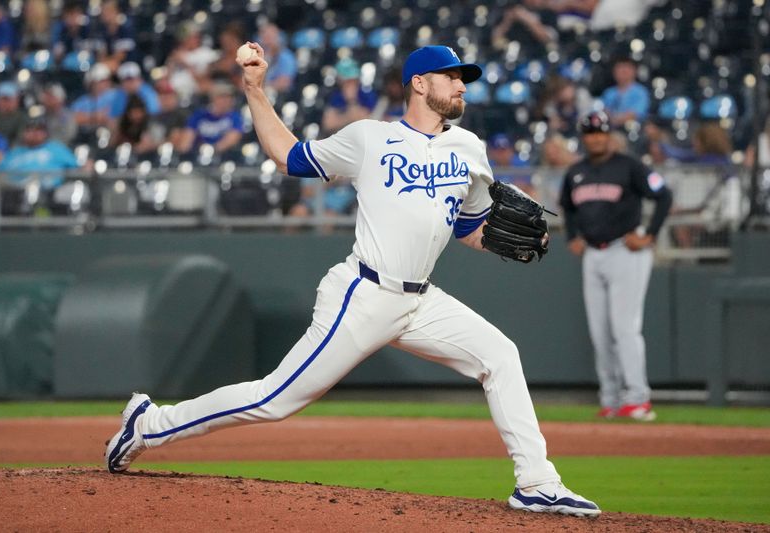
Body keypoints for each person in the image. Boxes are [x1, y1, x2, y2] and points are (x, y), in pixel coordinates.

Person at [105, 43, 601, 518]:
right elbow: (289, 157)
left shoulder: (468, 147)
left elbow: (468, 228)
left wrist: (507, 239)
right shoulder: (370, 138)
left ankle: (537, 483)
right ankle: (148, 426)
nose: (462, 86)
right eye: (453, 77)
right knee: (274, 400)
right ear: (420, 84)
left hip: (421, 301)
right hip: (363, 294)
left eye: (464, 79)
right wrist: (256, 91)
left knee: (500, 355)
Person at [559, 111, 672, 421]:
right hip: (593, 255)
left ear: (608, 135)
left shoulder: (630, 166)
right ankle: (610, 399)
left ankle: (637, 398)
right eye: (590, 133)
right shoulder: (576, 172)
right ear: (583, 137)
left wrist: (649, 235)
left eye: (600, 132)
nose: (596, 137)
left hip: (626, 251)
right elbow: (567, 207)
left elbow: (664, 196)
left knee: (625, 328)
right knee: (600, 332)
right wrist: (572, 236)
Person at [0, 115, 79, 190]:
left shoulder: (56, 148)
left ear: (46, 133)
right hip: (15, 194)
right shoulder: (15, 152)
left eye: (39, 129)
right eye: (30, 129)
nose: (34, 133)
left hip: (49, 193)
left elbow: (77, 168)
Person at [175, 82, 243, 157]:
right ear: (213, 98)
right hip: (197, 155)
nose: (225, 100)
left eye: (229, 97)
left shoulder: (235, 117)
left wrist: (211, 151)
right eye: (221, 97)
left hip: (223, 156)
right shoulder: (200, 115)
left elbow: (233, 137)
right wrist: (184, 153)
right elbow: (186, 140)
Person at [321, 58, 377, 135]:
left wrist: (352, 100)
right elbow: (328, 124)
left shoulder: (367, 94)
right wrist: (349, 118)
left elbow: (366, 121)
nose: (350, 84)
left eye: (353, 80)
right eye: (347, 81)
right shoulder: (336, 96)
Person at [600, 57, 650, 128]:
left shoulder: (641, 92)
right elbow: (604, 112)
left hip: (633, 129)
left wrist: (616, 120)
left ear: (634, 71)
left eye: (626, 69)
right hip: (609, 128)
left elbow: (636, 114)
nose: (623, 72)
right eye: (620, 68)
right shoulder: (609, 93)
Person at [257, 22, 296, 97]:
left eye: (270, 37)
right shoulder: (258, 56)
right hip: (260, 94)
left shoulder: (286, 56)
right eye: (265, 37)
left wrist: (263, 88)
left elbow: (285, 82)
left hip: (281, 96)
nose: (268, 41)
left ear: (278, 38)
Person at [0, 81, 27, 146]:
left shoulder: (23, 118)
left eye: (9, 99)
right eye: (3, 99)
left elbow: (21, 140)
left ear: (17, 100)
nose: (6, 103)